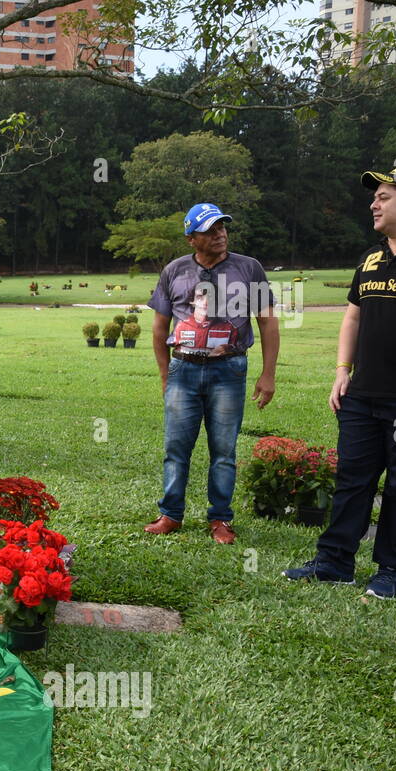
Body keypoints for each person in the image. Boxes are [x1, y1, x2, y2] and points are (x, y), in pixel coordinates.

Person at [285, 165, 396, 598]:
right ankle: (335, 560)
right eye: (374, 197)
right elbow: (354, 315)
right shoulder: (372, 256)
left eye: (384, 196)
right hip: (362, 394)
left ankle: (393, 569)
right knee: (353, 479)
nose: (373, 204)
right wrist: (342, 371)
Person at [143, 202, 279, 545]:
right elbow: (159, 330)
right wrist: (164, 375)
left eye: (222, 227)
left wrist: (268, 374)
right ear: (192, 239)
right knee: (176, 447)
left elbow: (267, 322)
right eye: (210, 230)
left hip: (229, 370)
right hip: (183, 370)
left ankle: (220, 518)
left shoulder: (250, 268)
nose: (220, 235)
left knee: (224, 450)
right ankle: (171, 514)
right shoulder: (174, 271)